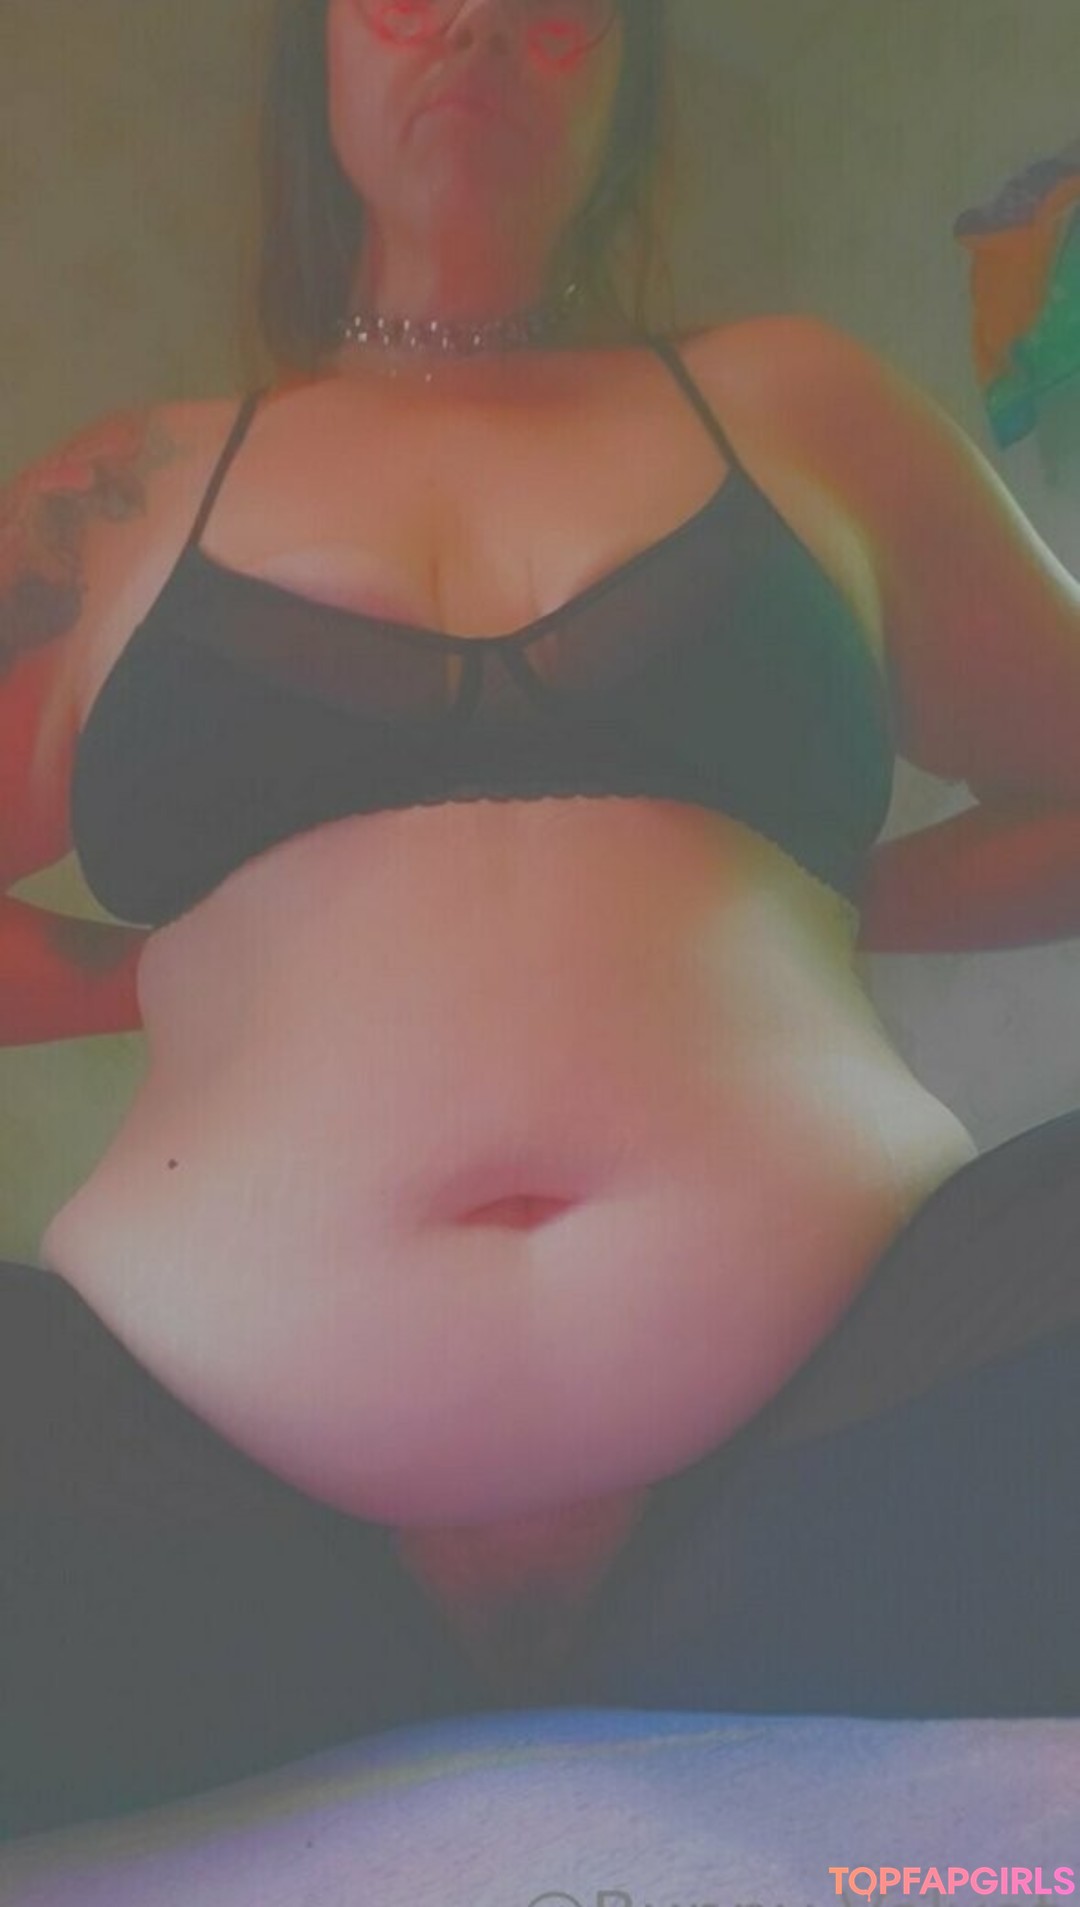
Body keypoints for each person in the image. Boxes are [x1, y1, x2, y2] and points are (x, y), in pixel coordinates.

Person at [2, 0, 1080, 1844]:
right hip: (224, 1512)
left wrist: (830, 901)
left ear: (629, 71)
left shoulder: (800, 406)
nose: (481, 29)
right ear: (319, 56)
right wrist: (149, 976)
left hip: (834, 1442)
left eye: (554, 7)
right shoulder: (122, 499)